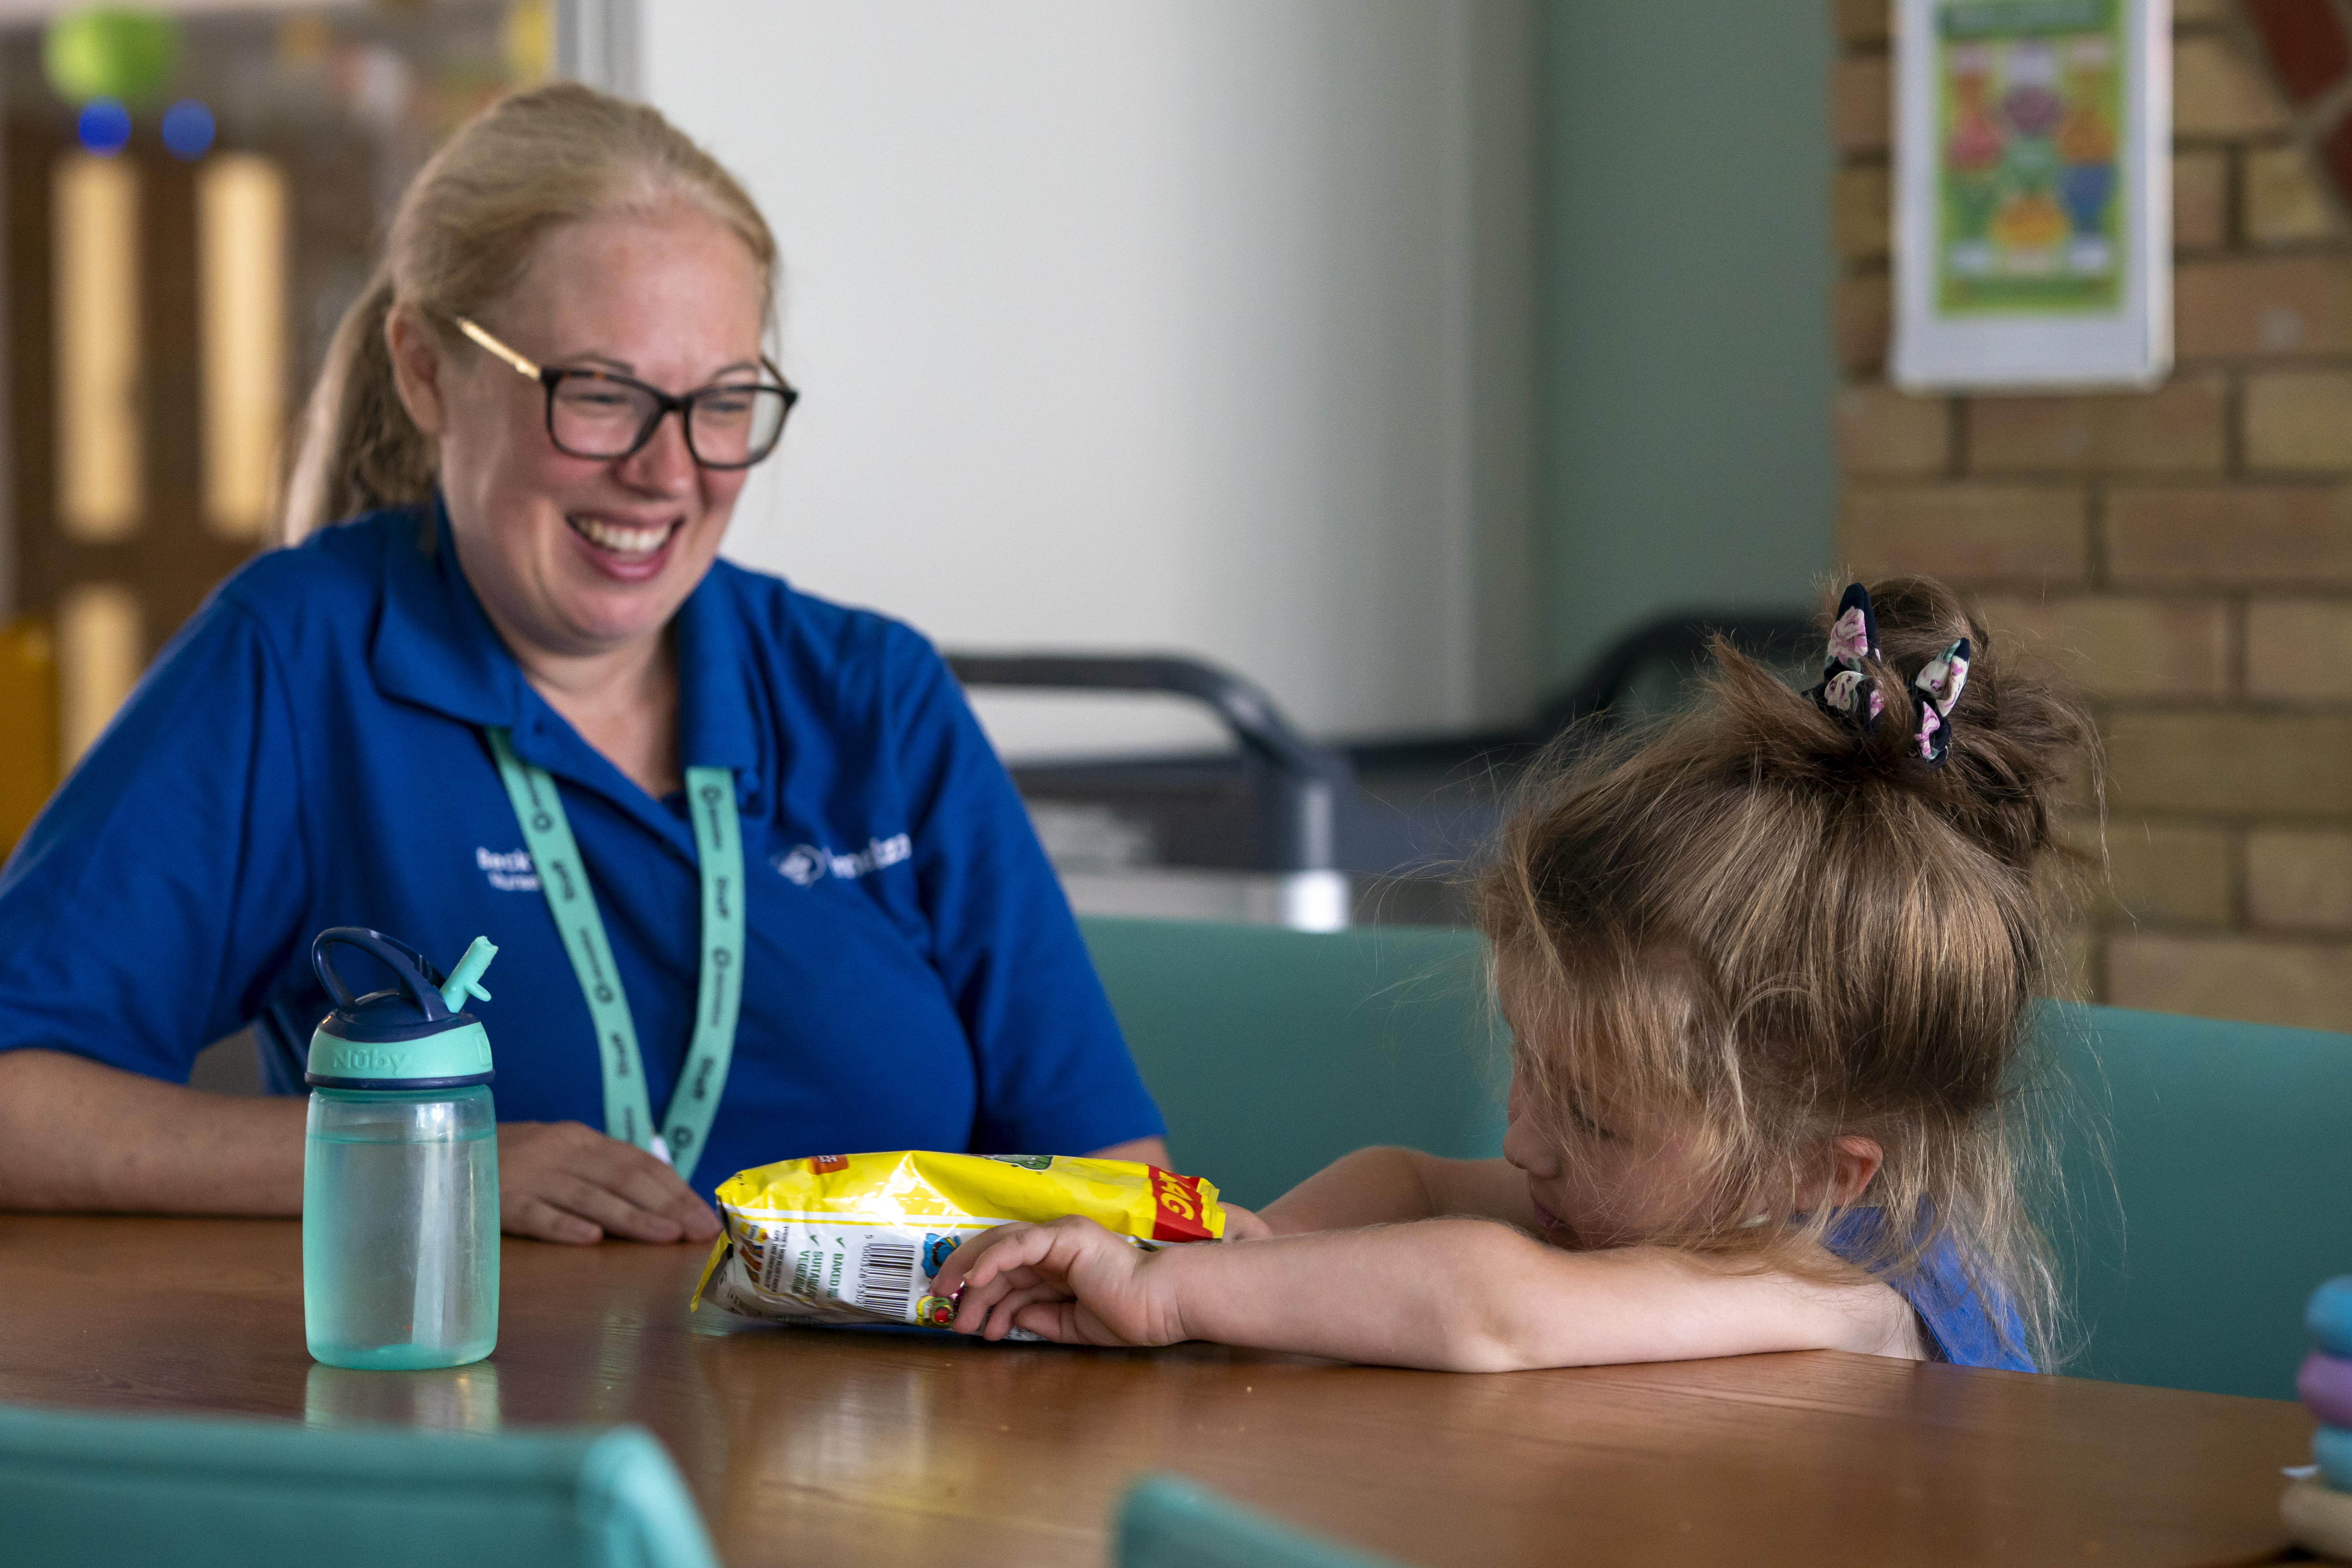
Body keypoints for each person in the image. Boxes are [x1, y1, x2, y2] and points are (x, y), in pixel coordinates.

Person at [0, 84, 1167, 1244]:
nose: (668, 473)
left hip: (894, 1423)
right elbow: (19, 1100)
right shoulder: (301, 660)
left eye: (722, 403)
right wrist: (431, 1162)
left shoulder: (874, 697)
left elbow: (1114, 1175)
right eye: (601, 395)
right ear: (424, 372)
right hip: (462, 1417)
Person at [937, 577, 2084, 1371]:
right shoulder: (1713, 1199)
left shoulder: (1850, 1293)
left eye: (1592, 1115)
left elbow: (1491, 1305)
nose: (1523, 1141)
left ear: (1818, 1171)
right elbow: (1412, 1183)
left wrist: (1173, 1295)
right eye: (1531, 1068)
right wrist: (1256, 1250)